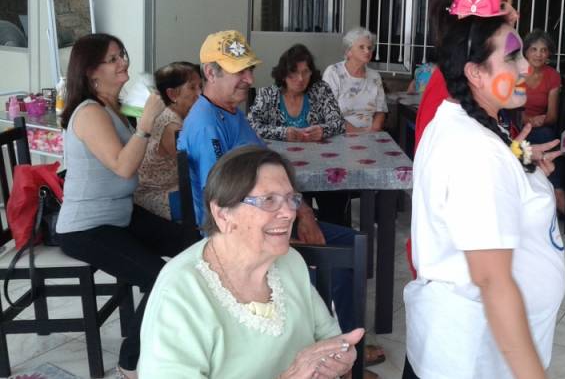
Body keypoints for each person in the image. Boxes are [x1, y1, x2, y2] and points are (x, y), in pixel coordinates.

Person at [177, 30, 384, 369]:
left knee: (353, 242)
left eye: (249, 69)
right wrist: (289, 220)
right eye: (238, 71)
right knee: (344, 253)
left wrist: (303, 211)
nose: (248, 79)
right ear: (210, 73)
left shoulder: (231, 112)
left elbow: (267, 165)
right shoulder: (206, 125)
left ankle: (341, 348)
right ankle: (332, 353)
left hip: (265, 218)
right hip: (240, 236)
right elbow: (224, 204)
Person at [404, 0, 565, 379]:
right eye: (513, 58)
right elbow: (493, 281)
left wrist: (520, 164)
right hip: (476, 355)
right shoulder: (473, 149)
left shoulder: (471, 121)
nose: (527, 67)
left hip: (477, 348)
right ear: (475, 72)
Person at [138, 145, 364, 378]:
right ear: (223, 213)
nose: (288, 213)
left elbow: (329, 336)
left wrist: (341, 357)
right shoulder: (180, 294)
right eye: (268, 200)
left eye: (290, 199)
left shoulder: (290, 261)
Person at [55, 33, 199, 378]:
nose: (124, 64)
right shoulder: (89, 112)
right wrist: (146, 125)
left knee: (195, 247)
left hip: (120, 214)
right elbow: (122, 166)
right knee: (160, 276)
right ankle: (130, 363)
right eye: (114, 59)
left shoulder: (112, 106)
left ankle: (185, 336)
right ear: (91, 71)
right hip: (86, 227)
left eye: (123, 55)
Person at [414, 0, 519, 149]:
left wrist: (518, 157)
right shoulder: (446, 81)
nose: (514, 14)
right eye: (502, 5)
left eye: (512, 5)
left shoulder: (484, 73)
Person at [248, 44, 350, 226]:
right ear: (283, 74)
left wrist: (322, 130)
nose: (301, 79)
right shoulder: (268, 95)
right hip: (282, 168)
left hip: (321, 165)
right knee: (285, 208)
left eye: (306, 72)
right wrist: (283, 133)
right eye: (293, 73)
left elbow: (338, 123)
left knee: (335, 199)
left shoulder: (320, 90)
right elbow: (251, 125)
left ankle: (333, 237)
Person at [134, 61, 202, 219]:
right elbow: (197, 166)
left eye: (200, 86)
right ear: (172, 94)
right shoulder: (171, 125)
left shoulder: (174, 115)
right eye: (192, 88)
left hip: (175, 189)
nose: (200, 93)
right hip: (157, 196)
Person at [522, 29, 565, 214]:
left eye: (543, 50)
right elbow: (507, 109)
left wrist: (537, 121)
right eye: (534, 49)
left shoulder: (553, 76)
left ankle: (557, 191)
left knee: (548, 137)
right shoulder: (516, 72)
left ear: (549, 54)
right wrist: (529, 120)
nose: (539, 54)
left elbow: (552, 116)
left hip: (541, 127)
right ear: (526, 51)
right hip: (517, 123)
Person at [322, 28, 387, 133]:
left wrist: (373, 130)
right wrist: (358, 132)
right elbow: (328, 112)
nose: (367, 51)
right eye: (361, 47)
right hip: (339, 134)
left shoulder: (375, 76)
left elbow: (381, 110)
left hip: (370, 134)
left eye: (369, 48)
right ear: (349, 52)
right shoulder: (333, 72)